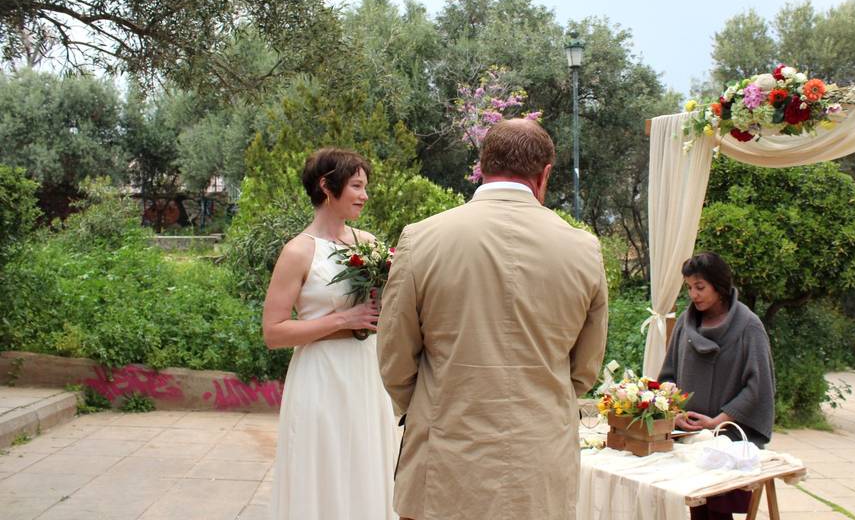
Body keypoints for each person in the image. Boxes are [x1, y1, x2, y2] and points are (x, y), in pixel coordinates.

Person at [377, 119, 609, 520]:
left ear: (483, 165)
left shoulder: (422, 238)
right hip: (539, 461)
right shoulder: (583, 249)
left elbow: (395, 355)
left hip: (446, 454)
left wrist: (430, 405)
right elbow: (585, 367)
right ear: (545, 174)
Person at [264, 147, 398, 520]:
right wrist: (343, 320)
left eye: (365, 186)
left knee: (368, 463)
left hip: (366, 374)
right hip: (321, 376)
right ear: (326, 186)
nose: (364, 195)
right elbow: (273, 332)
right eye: (356, 186)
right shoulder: (298, 251)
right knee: (325, 467)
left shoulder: (369, 244)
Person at [658, 251, 775, 520]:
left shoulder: (749, 327)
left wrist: (716, 422)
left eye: (700, 287)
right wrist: (674, 413)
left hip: (728, 439)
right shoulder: (685, 326)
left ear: (720, 287)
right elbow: (667, 377)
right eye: (689, 288)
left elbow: (758, 387)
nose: (693, 295)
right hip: (687, 436)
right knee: (697, 509)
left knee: (719, 513)